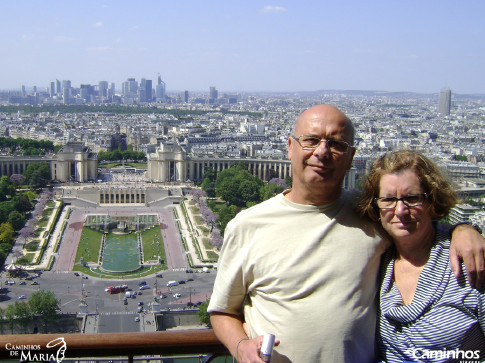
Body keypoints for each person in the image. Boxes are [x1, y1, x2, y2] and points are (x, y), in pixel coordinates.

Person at [208, 104, 485, 363]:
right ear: (290, 147)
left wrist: (464, 230)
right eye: (311, 140)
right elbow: (222, 311)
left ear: (351, 157)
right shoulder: (247, 225)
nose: (322, 151)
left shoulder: (372, 214)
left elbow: (419, 225)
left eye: (337, 144)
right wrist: (240, 345)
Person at [358, 150, 484, 363]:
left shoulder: (469, 262)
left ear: (432, 201)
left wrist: (465, 229)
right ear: (376, 206)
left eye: (412, 198)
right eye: (388, 199)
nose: (400, 210)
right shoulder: (376, 259)